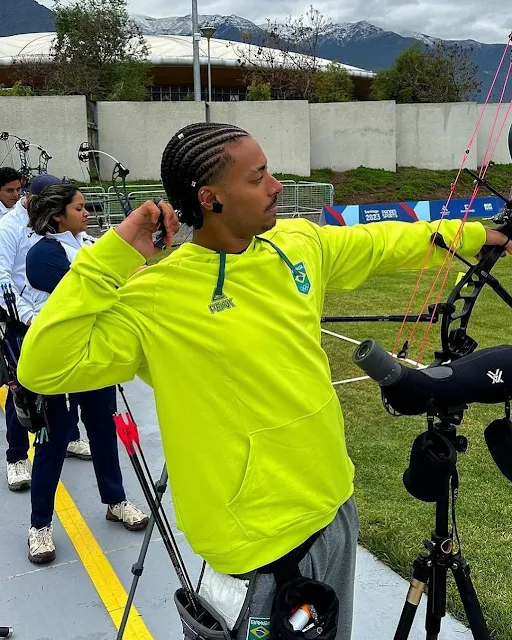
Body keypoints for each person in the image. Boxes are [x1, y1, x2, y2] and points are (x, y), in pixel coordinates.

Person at [17, 123, 512, 637]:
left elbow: (382, 240)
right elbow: (43, 365)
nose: (276, 185)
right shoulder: (156, 295)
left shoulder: (294, 244)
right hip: (254, 542)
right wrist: (114, 256)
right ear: (211, 198)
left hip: (332, 504)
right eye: (257, 178)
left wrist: (479, 235)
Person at [21, 183, 149, 564]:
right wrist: (120, 279)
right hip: (60, 366)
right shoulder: (41, 254)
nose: (87, 212)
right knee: (53, 442)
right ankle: (40, 525)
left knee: (103, 432)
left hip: (93, 362)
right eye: (79, 208)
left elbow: (124, 278)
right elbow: (95, 293)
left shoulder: (90, 245)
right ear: (58, 214)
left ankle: (115, 500)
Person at [0, 175, 92, 492]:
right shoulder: (9, 227)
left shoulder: (59, 232)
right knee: (24, 386)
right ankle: (16, 458)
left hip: (55, 317)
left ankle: (69, 437)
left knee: (67, 382)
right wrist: (28, 315)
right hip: (22, 318)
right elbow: (2, 278)